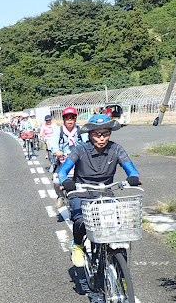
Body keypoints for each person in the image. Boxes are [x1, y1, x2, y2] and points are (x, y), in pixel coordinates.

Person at [56, 114, 141, 267]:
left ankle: (120, 272)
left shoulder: (116, 149)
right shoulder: (80, 149)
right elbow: (62, 172)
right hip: (81, 192)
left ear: (110, 133)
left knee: (116, 224)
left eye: (105, 134)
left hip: (105, 192)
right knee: (81, 221)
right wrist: (67, 182)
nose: (101, 138)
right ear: (90, 134)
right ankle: (78, 246)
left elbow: (131, 169)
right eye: (97, 134)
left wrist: (133, 177)